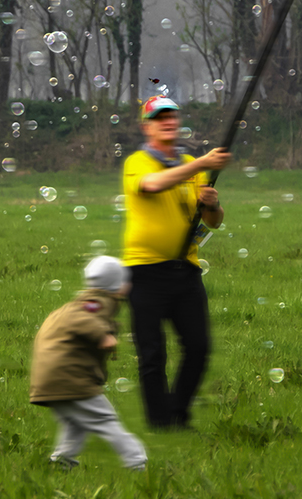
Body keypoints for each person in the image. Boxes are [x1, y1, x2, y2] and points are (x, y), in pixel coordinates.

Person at [122, 95, 230, 430]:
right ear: (147, 127)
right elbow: (153, 186)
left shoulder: (189, 162)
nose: (168, 122)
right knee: (152, 354)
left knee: (198, 347)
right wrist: (201, 165)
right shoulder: (138, 162)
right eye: (159, 118)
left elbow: (214, 222)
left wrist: (210, 203)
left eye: (172, 116)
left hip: (185, 269)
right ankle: (159, 424)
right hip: (144, 270)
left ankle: (178, 414)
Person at [29, 256, 146, 471]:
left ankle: (61, 462)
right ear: (118, 286)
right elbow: (79, 318)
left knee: (76, 424)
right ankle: (137, 462)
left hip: (54, 380)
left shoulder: (92, 302)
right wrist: (102, 334)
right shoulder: (94, 304)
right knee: (106, 419)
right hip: (71, 379)